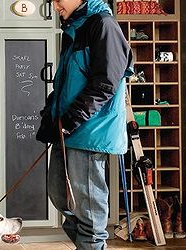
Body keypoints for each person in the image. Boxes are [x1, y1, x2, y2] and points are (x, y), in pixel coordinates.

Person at [36, 0, 133, 249]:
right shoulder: (74, 28)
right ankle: (88, 243)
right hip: (67, 130)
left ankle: (92, 242)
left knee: (89, 213)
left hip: (89, 130)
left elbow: (106, 83)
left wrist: (71, 119)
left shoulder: (103, 25)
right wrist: (51, 114)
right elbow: (66, 83)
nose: (55, 5)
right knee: (59, 195)